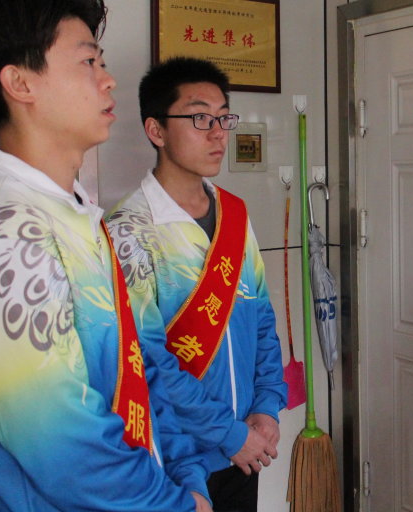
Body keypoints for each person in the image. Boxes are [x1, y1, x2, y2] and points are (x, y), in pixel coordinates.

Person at [0, 0, 212, 512]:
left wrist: (187, 476)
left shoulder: (75, 215)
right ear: (20, 83)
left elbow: (137, 370)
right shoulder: (0, 238)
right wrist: (176, 504)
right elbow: (66, 452)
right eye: (88, 62)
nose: (108, 80)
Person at [105, 57, 287, 512]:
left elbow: (260, 317)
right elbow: (147, 362)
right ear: (156, 130)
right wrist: (229, 434)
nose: (218, 133)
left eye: (224, 117)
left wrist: (266, 406)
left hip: (245, 447)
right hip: (175, 455)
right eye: (200, 118)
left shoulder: (234, 214)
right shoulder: (128, 230)